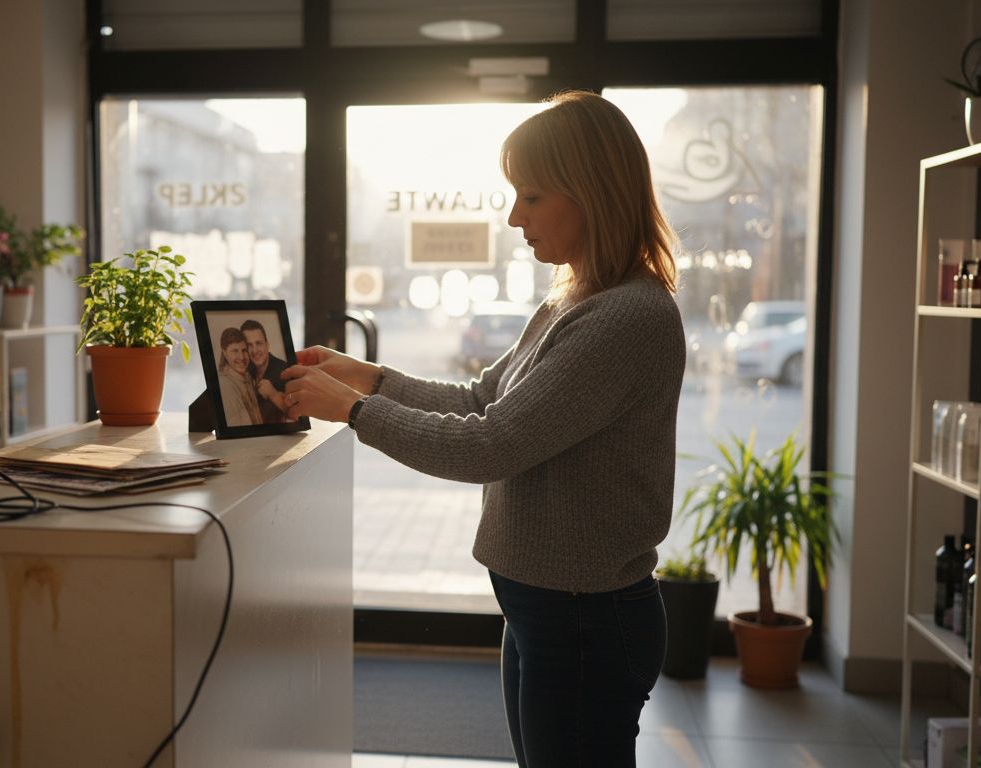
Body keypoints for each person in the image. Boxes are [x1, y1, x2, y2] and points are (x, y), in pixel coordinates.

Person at [280, 90, 684, 767]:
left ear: (590, 193)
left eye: (532, 196)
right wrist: (367, 377)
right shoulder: (574, 301)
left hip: (583, 621)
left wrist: (351, 409)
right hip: (550, 613)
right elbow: (480, 399)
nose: (514, 216)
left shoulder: (626, 317)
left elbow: (489, 445)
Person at [242, 318, 292, 423]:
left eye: (259, 343)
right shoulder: (245, 370)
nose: (255, 350)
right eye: (249, 345)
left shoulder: (285, 371)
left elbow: (299, 415)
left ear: (267, 345)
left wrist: (273, 394)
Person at [214, 326, 262, 426]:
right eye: (235, 351)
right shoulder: (225, 385)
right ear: (225, 353)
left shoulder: (247, 377)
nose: (241, 357)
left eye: (244, 350)